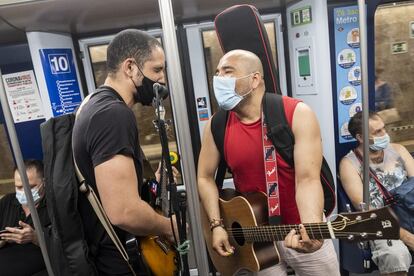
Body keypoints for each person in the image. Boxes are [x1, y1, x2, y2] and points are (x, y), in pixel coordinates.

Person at [197, 49, 340, 275]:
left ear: (254, 79)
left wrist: (312, 229)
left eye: (228, 72)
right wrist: (217, 225)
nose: (219, 80)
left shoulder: (296, 113)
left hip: (299, 225)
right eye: (217, 73)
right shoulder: (217, 124)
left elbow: (308, 179)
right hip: (257, 239)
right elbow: (204, 177)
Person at [72, 29, 178, 275]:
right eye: (157, 70)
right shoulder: (113, 114)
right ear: (130, 67)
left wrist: (151, 184)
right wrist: (166, 226)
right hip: (119, 260)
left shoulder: (92, 103)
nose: (162, 80)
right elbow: (123, 211)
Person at [339, 111, 414, 276]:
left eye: (384, 129)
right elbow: (367, 212)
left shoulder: (398, 150)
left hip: (409, 212)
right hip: (381, 224)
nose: (384, 134)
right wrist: (406, 237)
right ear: (360, 137)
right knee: (395, 255)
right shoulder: (349, 164)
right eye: (377, 132)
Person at [0, 159, 49, 276]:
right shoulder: (7, 202)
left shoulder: (55, 206)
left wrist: (36, 237)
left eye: (30, 187)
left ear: (44, 182)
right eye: (19, 187)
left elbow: (67, 245)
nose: (24, 192)